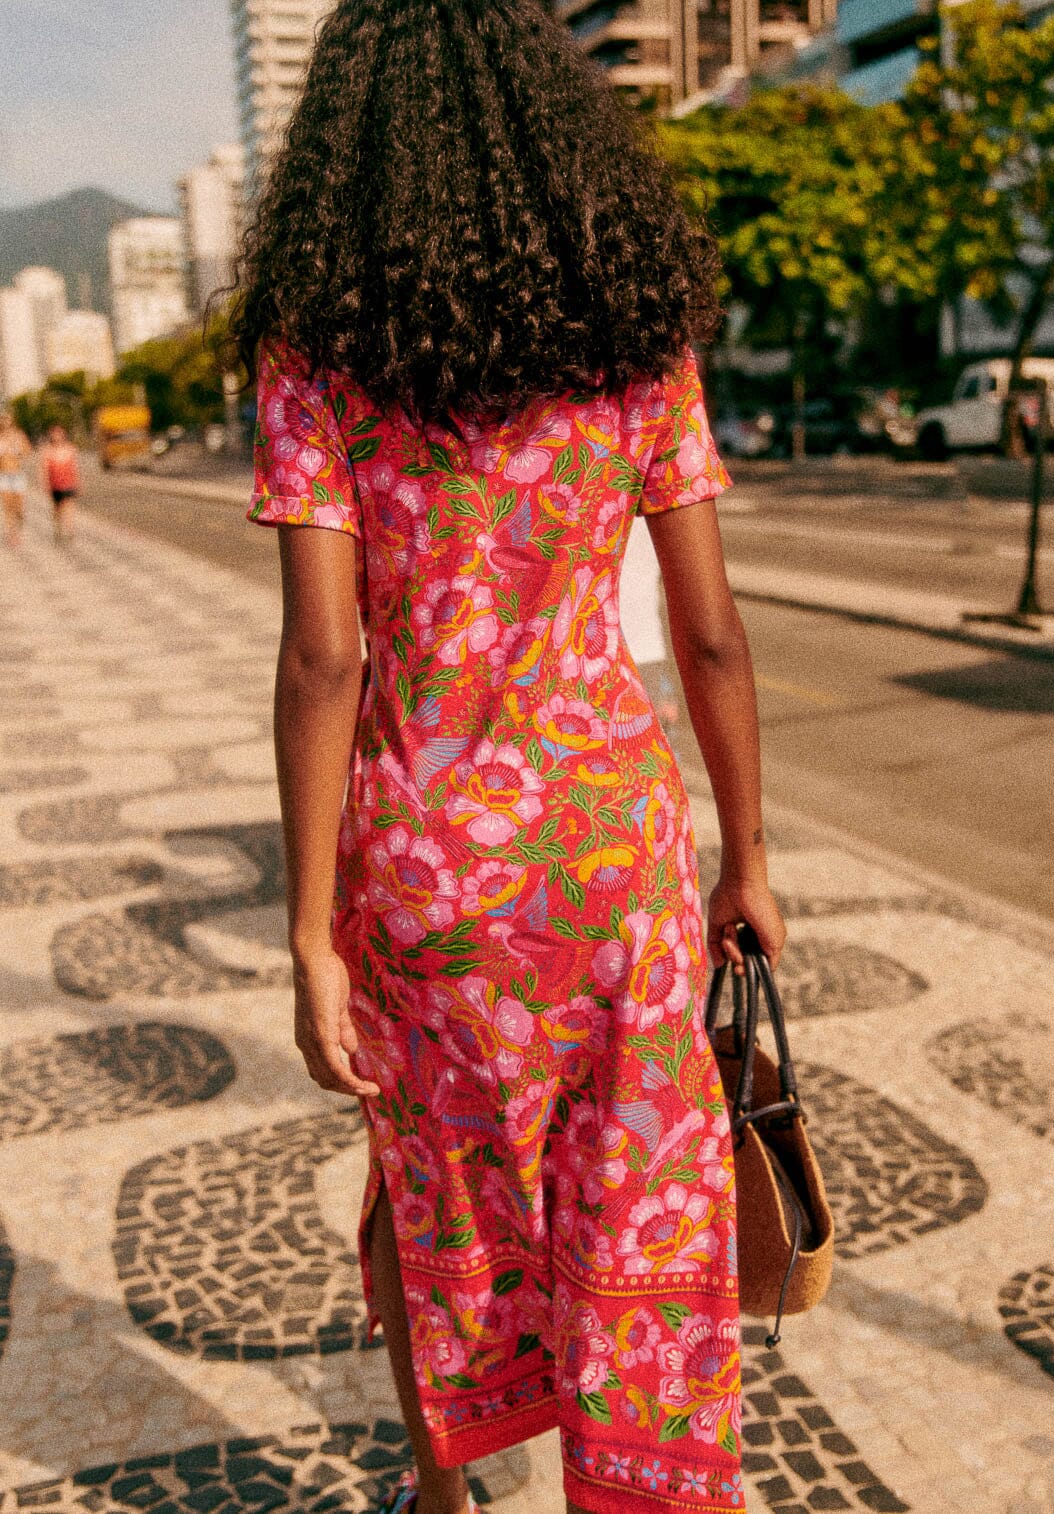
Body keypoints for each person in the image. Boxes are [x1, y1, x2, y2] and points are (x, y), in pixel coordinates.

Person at [234, 3, 786, 1511]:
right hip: (614, 848)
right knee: (638, 1198)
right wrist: (747, 855)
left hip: (424, 874)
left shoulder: (320, 346)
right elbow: (715, 630)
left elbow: (324, 655)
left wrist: (304, 935)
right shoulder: (632, 327)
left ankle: (443, 1490)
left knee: (439, 1204)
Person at [39, 423, 80, 543]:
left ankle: (70, 529)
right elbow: (44, 469)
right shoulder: (47, 451)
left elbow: (75, 467)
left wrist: (78, 481)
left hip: (68, 483)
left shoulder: (71, 449)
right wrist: (45, 483)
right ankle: (58, 528)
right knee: (57, 508)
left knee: (69, 506)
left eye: (59, 434)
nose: (57, 437)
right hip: (55, 484)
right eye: (55, 434)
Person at [0, 411, 33, 550]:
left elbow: (28, 451)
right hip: (4, 475)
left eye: (8, 419)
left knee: (18, 507)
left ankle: (18, 524)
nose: (6, 422)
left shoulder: (19, 436)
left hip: (17, 474)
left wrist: (18, 448)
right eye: (3, 420)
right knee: (8, 507)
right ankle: (12, 534)